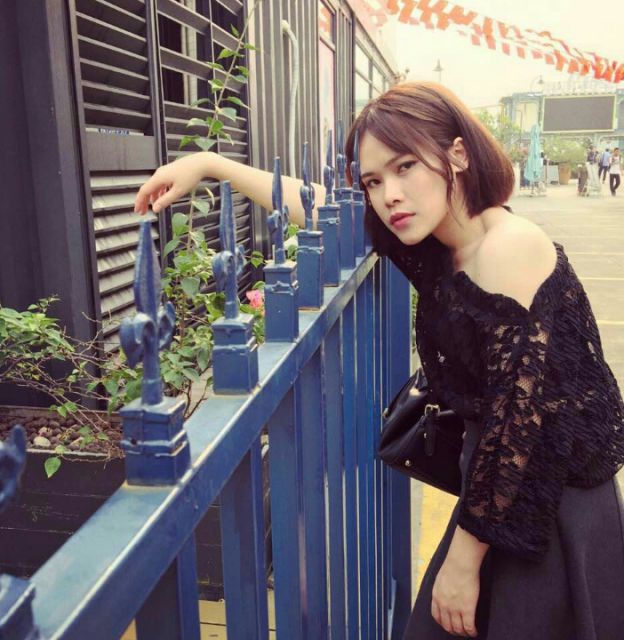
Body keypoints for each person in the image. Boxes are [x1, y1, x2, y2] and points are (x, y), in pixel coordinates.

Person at [134, 81, 624, 640]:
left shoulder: (508, 247)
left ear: (458, 155)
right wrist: (210, 165)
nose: (389, 194)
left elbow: (517, 425)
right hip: (496, 495)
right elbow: (318, 203)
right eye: (372, 181)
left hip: (550, 506)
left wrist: (462, 564)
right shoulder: (440, 245)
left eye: (405, 166)